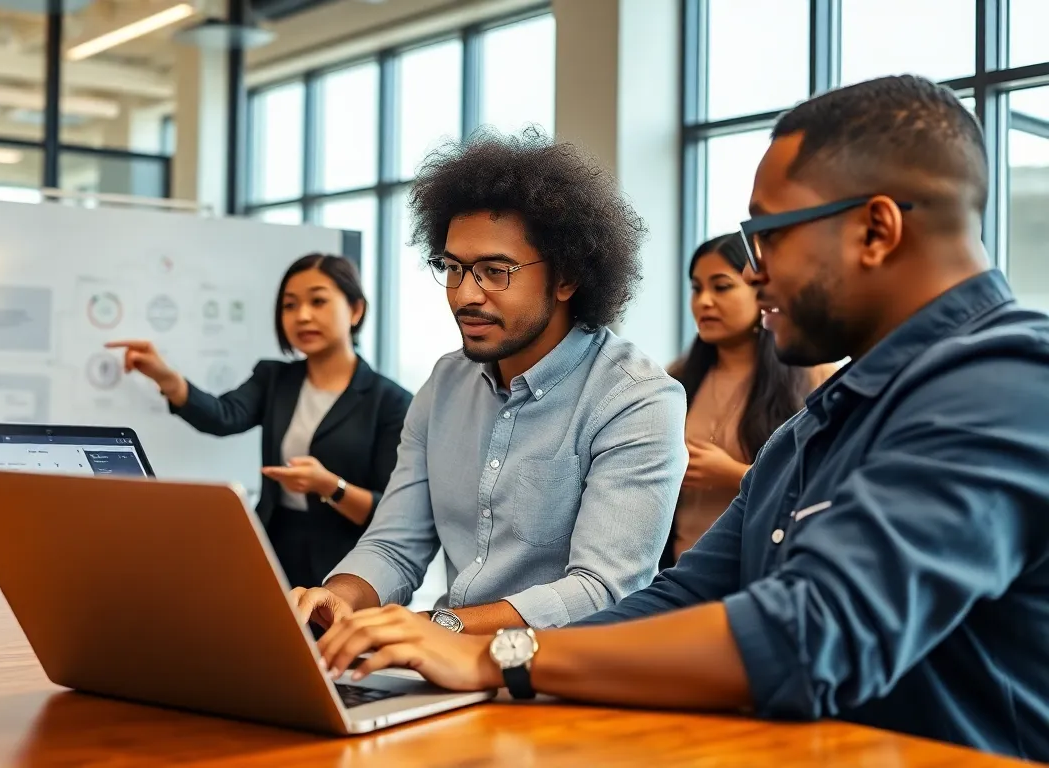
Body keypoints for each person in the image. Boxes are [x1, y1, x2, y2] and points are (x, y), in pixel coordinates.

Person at [307, 75, 1049, 762]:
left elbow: (805, 634)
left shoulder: (1008, 382)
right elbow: (680, 597)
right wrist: (478, 662)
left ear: (876, 230)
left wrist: (498, 655)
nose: (753, 271)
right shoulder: (817, 427)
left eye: (771, 234)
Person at [290, 128, 687, 636]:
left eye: (494, 271)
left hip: (564, 679)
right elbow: (395, 542)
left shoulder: (635, 399)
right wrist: (338, 598)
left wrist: (439, 627)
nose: (464, 295)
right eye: (452, 268)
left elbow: (601, 590)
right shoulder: (446, 382)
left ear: (567, 278)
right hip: (447, 663)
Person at [108, 254, 412, 589]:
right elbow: (223, 417)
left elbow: (388, 511)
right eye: (289, 305)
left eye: (318, 301)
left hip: (347, 563)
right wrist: (166, 377)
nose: (303, 316)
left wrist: (327, 485)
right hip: (273, 546)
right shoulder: (274, 377)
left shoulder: (391, 401)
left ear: (355, 310)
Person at [666, 234, 833, 564]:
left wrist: (733, 474)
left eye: (721, 286)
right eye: (697, 288)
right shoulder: (676, 377)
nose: (704, 302)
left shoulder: (815, 377)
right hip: (678, 569)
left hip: (763, 567)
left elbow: (825, 488)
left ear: (760, 288)